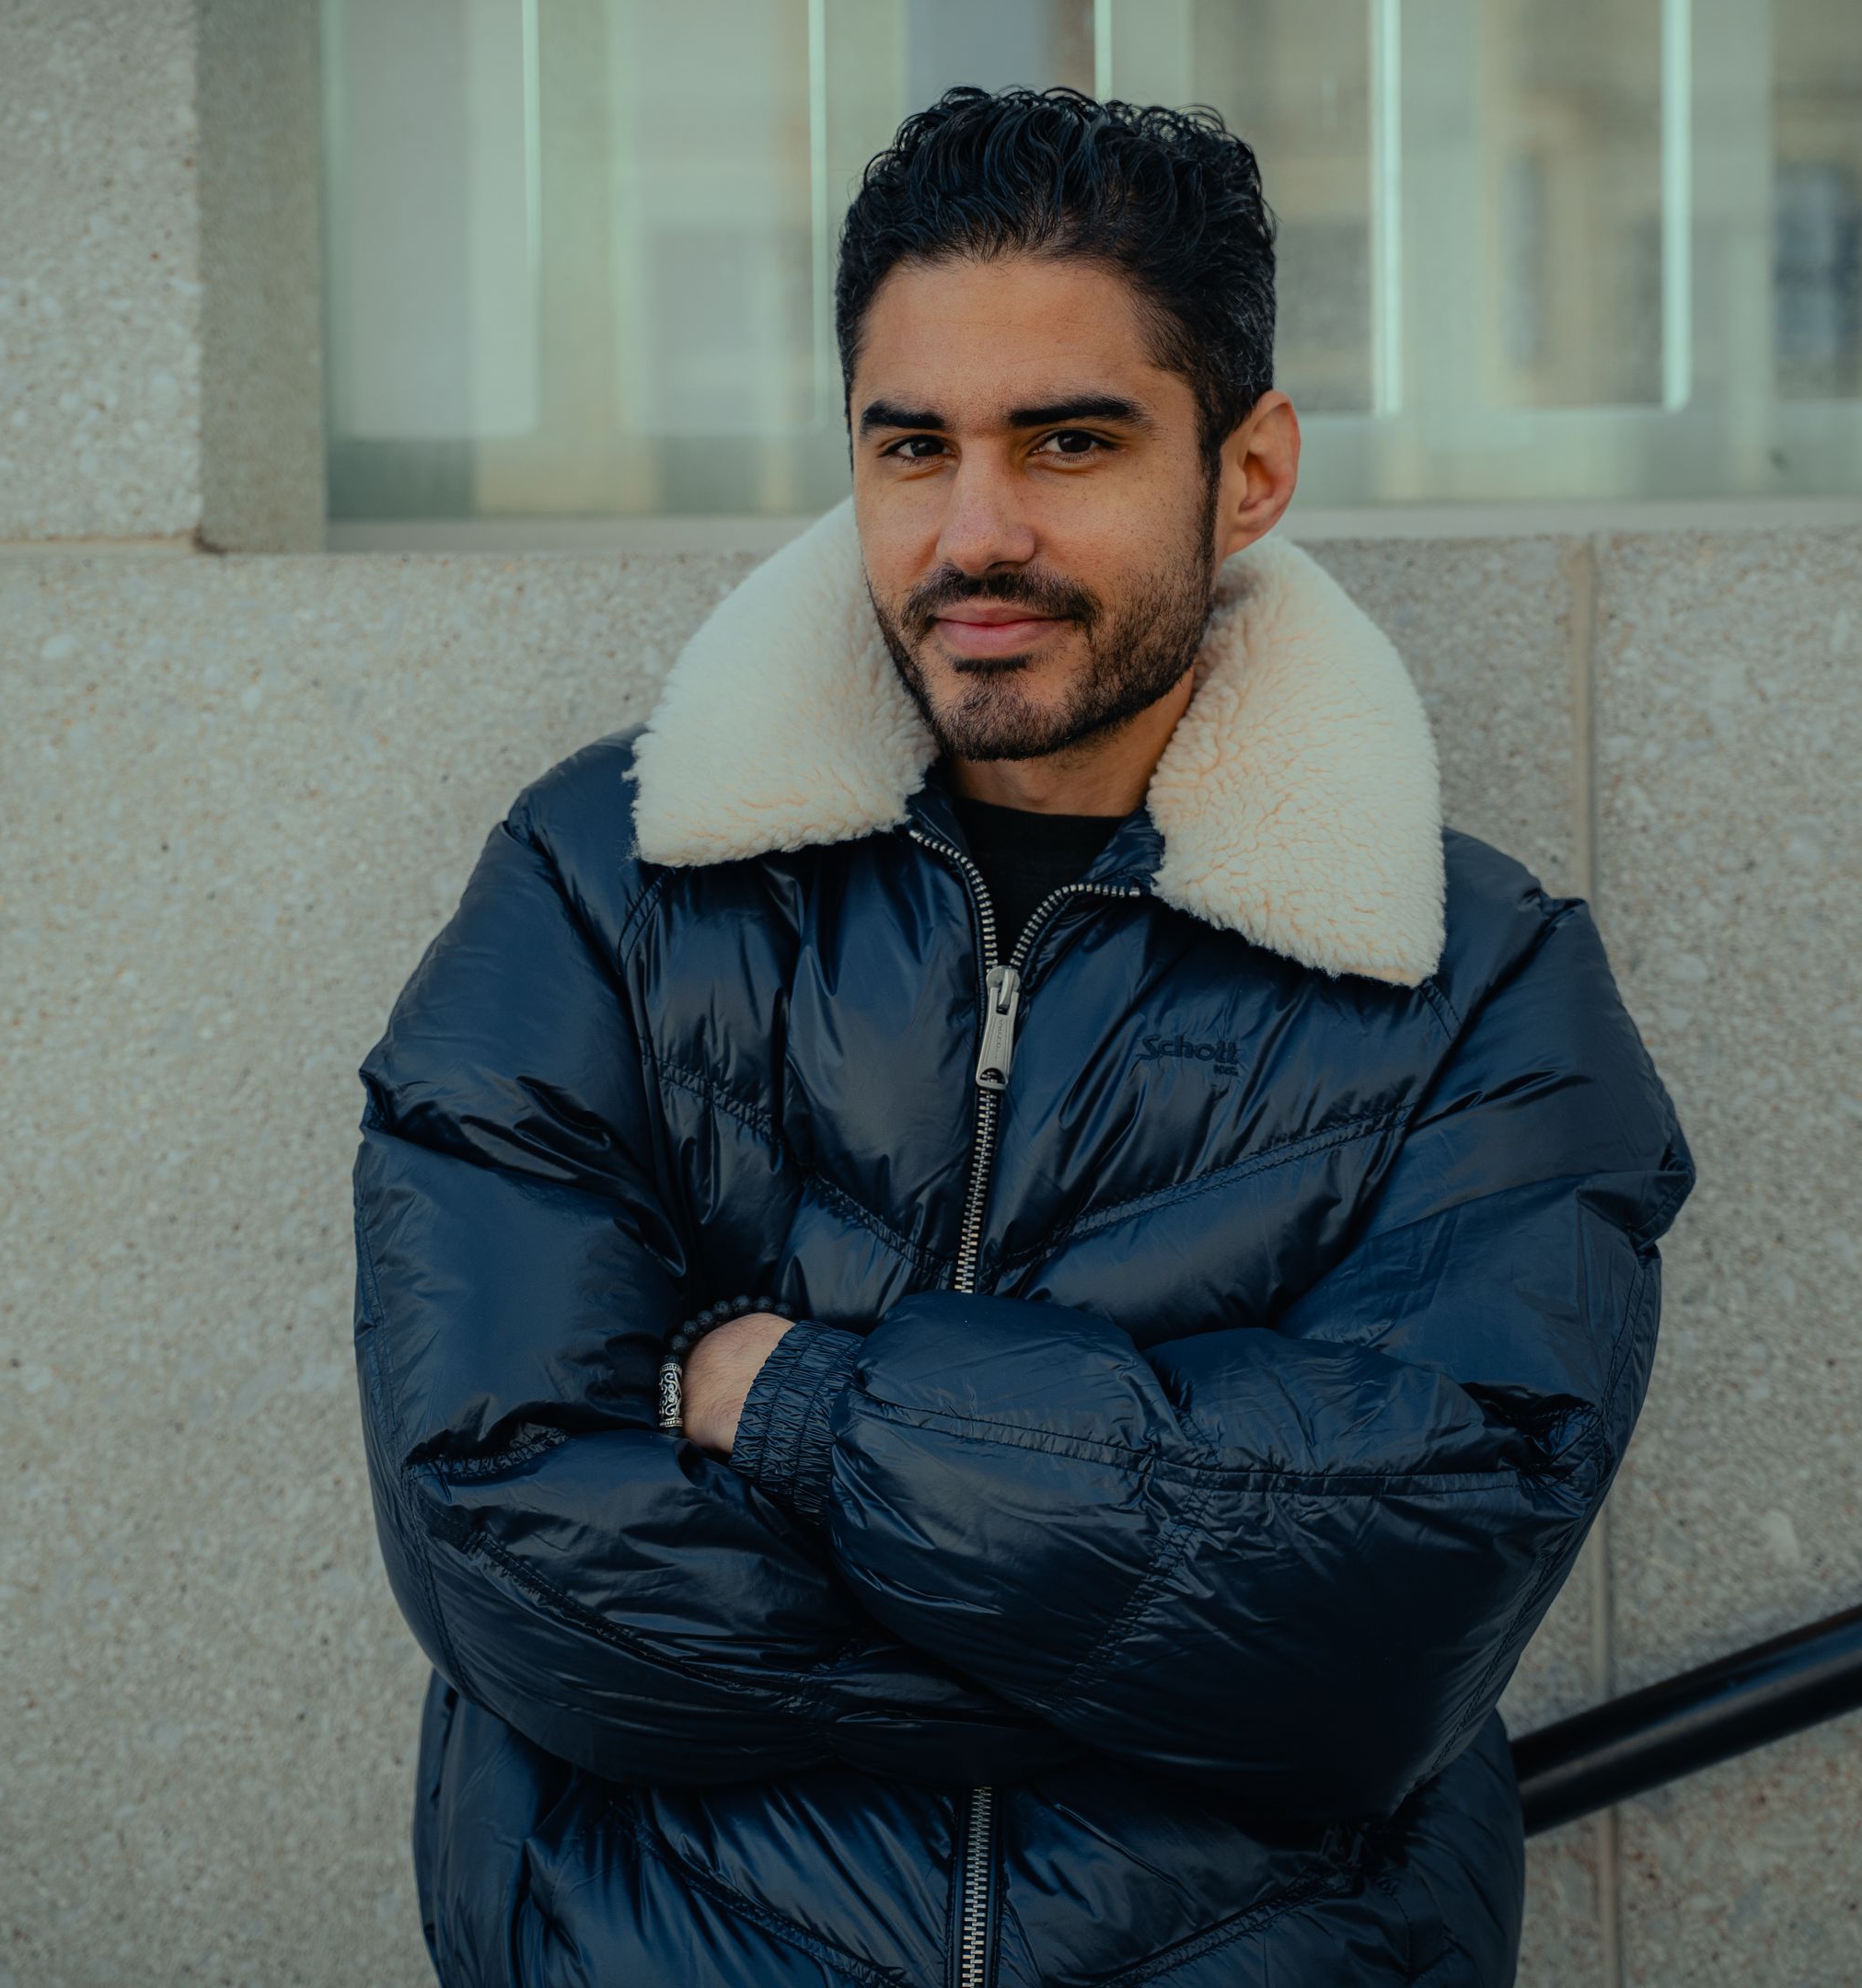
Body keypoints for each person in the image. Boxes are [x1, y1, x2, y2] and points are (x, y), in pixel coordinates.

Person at [351, 86, 1694, 1987]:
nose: (975, 533)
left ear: (1249, 470)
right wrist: (1163, 1644)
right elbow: (505, 1540)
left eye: (1070, 440)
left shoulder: (1477, 982)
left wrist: (793, 1407)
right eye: (914, 446)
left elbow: (1399, 1614)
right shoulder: (608, 884)